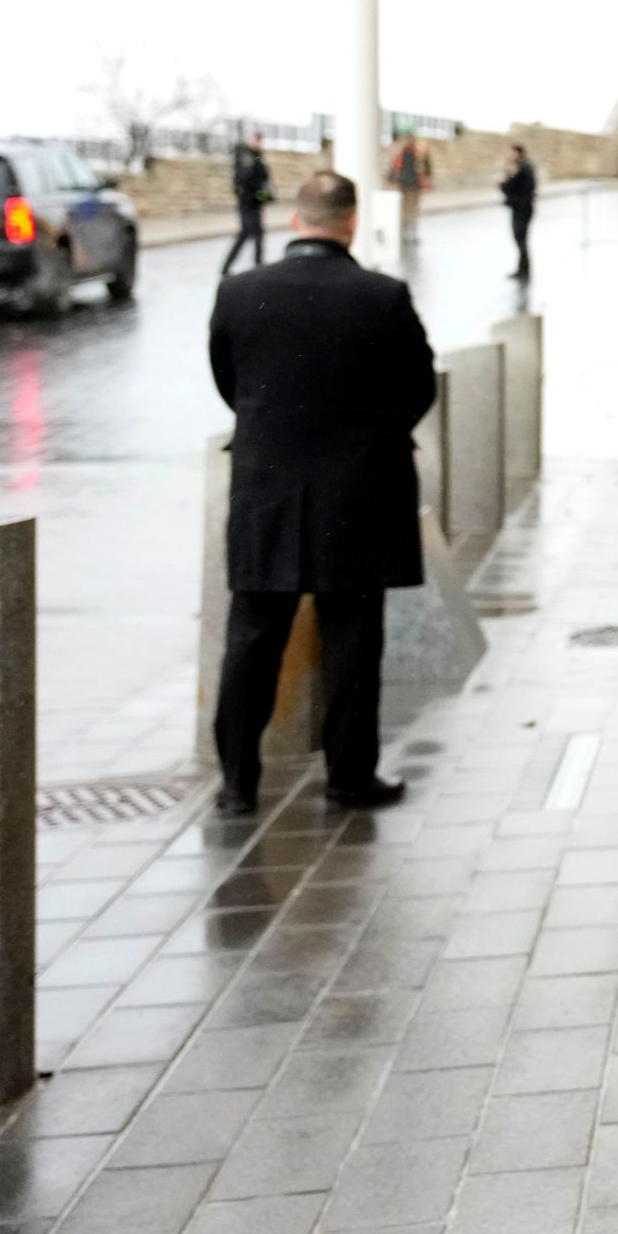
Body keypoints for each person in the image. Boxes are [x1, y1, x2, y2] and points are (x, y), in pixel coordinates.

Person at [207, 170, 437, 816]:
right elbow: (419, 386)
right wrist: (371, 436)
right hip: (359, 493)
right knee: (353, 641)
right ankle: (349, 778)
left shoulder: (238, 292)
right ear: (351, 223)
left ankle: (237, 784)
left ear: (294, 219)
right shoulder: (382, 296)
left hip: (266, 493)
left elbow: (229, 380)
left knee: (253, 638)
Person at [221, 131, 272, 276]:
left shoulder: (257, 155)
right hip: (245, 201)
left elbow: (264, 175)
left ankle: (258, 266)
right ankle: (226, 267)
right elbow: (245, 176)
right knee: (246, 232)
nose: (258, 143)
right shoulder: (243, 154)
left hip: (256, 201)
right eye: (256, 140)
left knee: (258, 233)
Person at [501, 144, 537, 280]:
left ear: (518, 153)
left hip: (521, 209)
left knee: (520, 239)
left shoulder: (520, 167)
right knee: (522, 240)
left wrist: (503, 182)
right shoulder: (527, 166)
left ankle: (523, 270)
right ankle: (523, 269)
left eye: (511, 153)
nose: (509, 155)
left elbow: (509, 186)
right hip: (524, 207)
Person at [389, 134, 430, 241]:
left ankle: (410, 233)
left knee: (411, 209)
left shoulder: (418, 152)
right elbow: (394, 167)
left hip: (413, 186)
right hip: (405, 185)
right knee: (406, 209)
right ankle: (405, 232)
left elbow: (427, 168)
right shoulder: (404, 152)